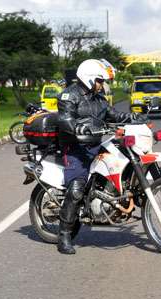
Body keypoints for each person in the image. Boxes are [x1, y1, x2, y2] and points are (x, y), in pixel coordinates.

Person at [56, 59, 144, 254]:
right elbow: (65, 119)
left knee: (125, 161)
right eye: (99, 80)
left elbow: (113, 114)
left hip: (95, 143)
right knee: (77, 189)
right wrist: (77, 127)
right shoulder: (69, 95)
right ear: (88, 78)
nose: (101, 84)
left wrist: (134, 117)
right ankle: (64, 236)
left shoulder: (98, 97)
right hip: (74, 148)